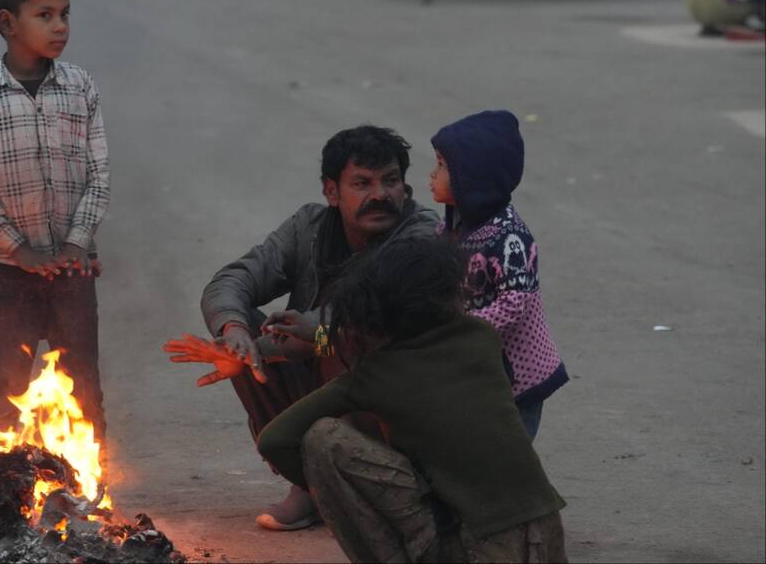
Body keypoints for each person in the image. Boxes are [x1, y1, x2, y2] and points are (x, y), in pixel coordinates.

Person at [257, 236, 568, 563]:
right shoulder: (482, 336)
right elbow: (407, 354)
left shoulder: (373, 375)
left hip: (478, 549)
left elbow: (274, 440)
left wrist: (332, 493)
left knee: (323, 438)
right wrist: (319, 337)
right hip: (546, 537)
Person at [194, 125, 440, 530]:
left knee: (334, 343)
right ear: (331, 191)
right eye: (361, 183)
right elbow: (231, 281)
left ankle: (379, 489)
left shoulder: (420, 236)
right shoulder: (309, 227)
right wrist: (236, 333)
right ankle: (307, 484)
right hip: (325, 358)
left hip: (396, 387)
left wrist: (304, 339)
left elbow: (368, 322)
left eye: (391, 181)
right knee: (242, 352)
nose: (379, 194)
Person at [0, 0, 110, 438]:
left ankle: (90, 495)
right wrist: (19, 250)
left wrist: (75, 244)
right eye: (45, 15)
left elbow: (99, 173)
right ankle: (2, 492)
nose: (60, 26)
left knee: (82, 388)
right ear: (8, 23)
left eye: (64, 14)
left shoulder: (80, 87)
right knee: (5, 394)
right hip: (6, 273)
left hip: (71, 270)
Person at [428, 110, 567, 439]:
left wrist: (455, 329)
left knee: (510, 451)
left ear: (470, 178)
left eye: (442, 166)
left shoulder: (507, 237)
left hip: (518, 376)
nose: (431, 175)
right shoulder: (448, 230)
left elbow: (513, 303)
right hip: (477, 366)